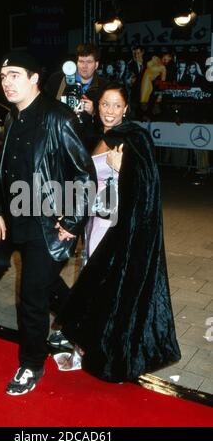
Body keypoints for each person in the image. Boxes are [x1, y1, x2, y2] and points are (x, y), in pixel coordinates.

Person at [0, 50, 97, 396]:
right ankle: (82, 328)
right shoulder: (11, 119)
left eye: (15, 75)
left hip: (50, 226)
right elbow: (1, 171)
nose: (7, 83)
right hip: (18, 218)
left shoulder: (58, 118)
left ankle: (31, 364)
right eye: (3, 77)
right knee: (48, 287)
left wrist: (73, 223)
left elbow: (85, 175)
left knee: (31, 296)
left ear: (34, 78)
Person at [55, 83, 181, 381]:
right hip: (92, 220)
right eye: (104, 104)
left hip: (114, 226)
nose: (109, 111)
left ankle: (90, 350)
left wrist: (119, 169)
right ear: (97, 106)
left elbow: (143, 187)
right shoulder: (99, 136)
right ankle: (85, 345)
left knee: (98, 284)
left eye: (116, 105)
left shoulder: (133, 137)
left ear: (126, 109)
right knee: (90, 278)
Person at [45, 43, 108, 151]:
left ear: (96, 64)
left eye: (89, 62)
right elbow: (43, 106)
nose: (84, 66)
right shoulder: (58, 80)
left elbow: (110, 122)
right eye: (81, 61)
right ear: (76, 62)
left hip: (88, 146)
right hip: (59, 142)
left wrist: (94, 111)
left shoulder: (105, 87)